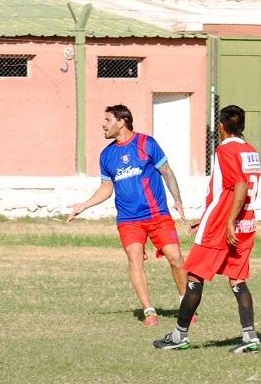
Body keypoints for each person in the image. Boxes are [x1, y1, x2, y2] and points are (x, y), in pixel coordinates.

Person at [69, 104, 189, 327]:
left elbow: (167, 172)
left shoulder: (147, 144)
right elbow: (106, 188)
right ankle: (149, 310)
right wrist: (84, 205)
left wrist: (178, 201)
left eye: (107, 120)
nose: (103, 125)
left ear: (121, 122)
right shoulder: (106, 155)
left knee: (176, 258)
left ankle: (185, 305)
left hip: (157, 215)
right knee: (134, 259)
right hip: (129, 220)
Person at [155, 105, 261, 353]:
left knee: (194, 276)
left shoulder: (225, 150)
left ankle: (179, 335)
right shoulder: (251, 151)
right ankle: (250, 337)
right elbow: (234, 189)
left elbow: (239, 186)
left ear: (221, 127)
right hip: (246, 223)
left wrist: (224, 221)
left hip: (222, 226)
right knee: (237, 280)